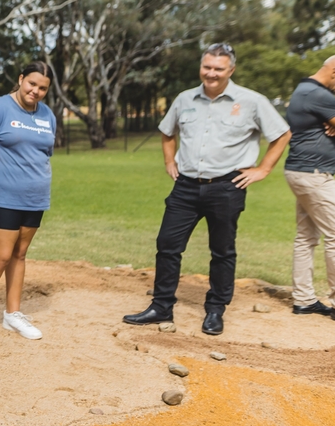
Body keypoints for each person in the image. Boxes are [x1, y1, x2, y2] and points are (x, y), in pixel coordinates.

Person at [124, 43, 291, 335]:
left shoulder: (252, 101)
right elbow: (167, 132)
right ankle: (161, 307)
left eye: (218, 68)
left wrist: (263, 169)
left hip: (227, 187)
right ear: (201, 67)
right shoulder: (185, 98)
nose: (211, 73)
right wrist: (169, 161)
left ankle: (215, 310)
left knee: (222, 250)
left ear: (231, 70)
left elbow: (282, 133)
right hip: (185, 187)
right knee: (167, 245)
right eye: (207, 67)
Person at [0, 62, 56, 342]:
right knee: (1, 255)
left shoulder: (47, 115)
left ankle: (12, 314)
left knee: (20, 254)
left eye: (42, 88)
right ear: (21, 79)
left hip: (34, 198)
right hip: (0, 197)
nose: (36, 91)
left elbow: (45, 152)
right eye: (32, 84)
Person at [282, 55, 335, 319]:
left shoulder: (304, 89)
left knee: (306, 237)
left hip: (301, 173)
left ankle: (303, 299)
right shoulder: (320, 95)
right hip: (315, 175)